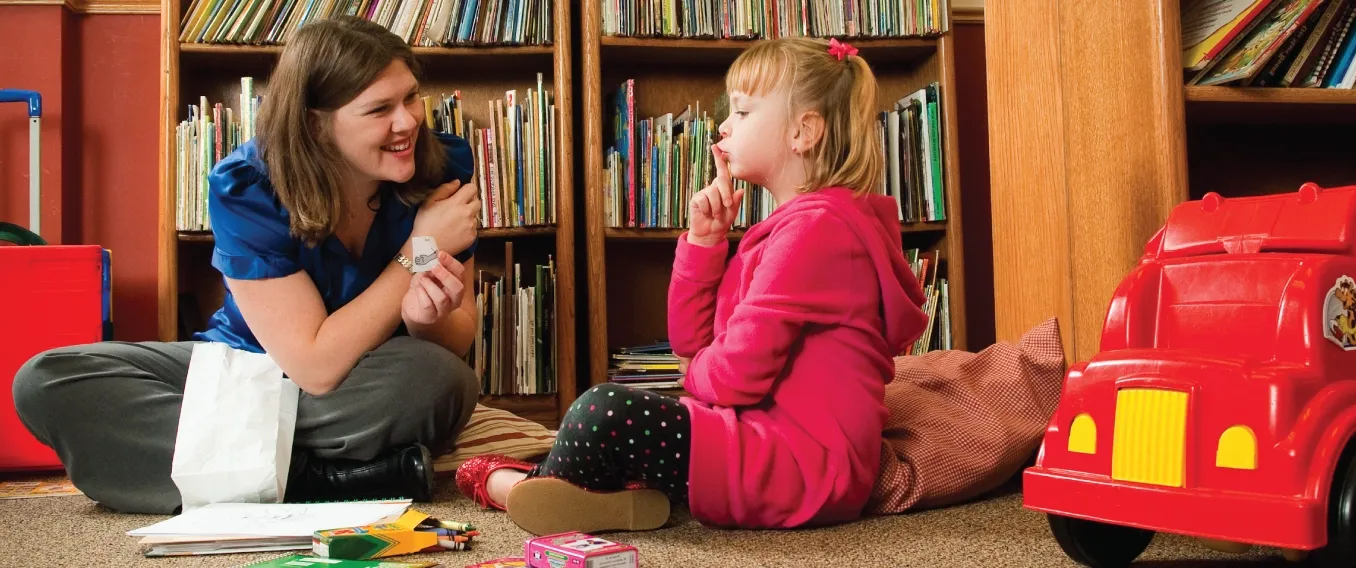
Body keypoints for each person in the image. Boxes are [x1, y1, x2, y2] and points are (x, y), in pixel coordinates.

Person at [457, 36, 929, 535]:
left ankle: (517, 488)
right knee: (611, 415)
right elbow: (691, 344)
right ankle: (584, 495)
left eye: (743, 112)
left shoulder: (817, 231)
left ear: (803, 131)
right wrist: (705, 242)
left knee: (601, 409)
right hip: (763, 445)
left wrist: (693, 380)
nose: (724, 125)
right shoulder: (789, 229)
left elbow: (731, 376)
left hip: (797, 466)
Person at [11, 16, 483, 515]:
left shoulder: (442, 167)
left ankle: (231, 470)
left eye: (410, 97)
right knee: (46, 381)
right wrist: (418, 250)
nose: (408, 121)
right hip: (247, 368)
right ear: (314, 123)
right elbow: (314, 365)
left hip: (371, 377)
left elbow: (454, 339)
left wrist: (425, 319)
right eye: (379, 109)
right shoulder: (246, 185)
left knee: (440, 379)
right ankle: (319, 480)